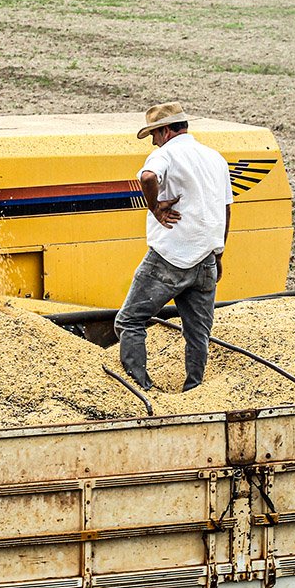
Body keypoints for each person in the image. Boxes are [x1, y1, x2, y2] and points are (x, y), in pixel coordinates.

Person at [115, 102, 232, 391]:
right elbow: (227, 209)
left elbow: (147, 177)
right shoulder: (215, 157)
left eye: (154, 134)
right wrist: (219, 253)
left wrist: (154, 207)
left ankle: (139, 388)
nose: (154, 141)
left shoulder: (165, 154)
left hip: (169, 257)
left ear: (166, 131)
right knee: (198, 333)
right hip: (207, 257)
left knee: (130, 321)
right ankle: (194, 389)